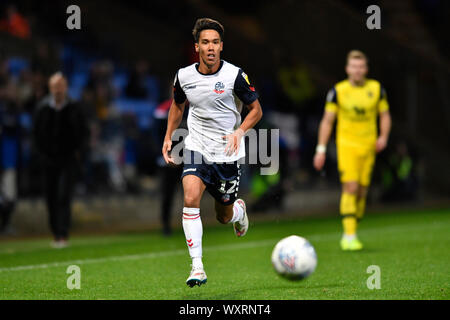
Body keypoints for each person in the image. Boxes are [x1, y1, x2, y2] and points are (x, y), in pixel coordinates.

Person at [162, 18, 263, 287]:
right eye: (205, 42)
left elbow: (256, 111)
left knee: (223, 216)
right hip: (196, 147)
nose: (210, 47)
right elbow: (177, 106)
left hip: (227, 155)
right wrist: (168, 137)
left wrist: (239, 132)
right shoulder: (184, 76)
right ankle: (197, 267)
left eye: (215, 42)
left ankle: (238, 212)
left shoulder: (235, 76)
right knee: (191, 196)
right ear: (197, 47)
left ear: (221, 47)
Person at [313, 50, 392, 251]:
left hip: (369, 146)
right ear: (348, 69)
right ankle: (349, 236)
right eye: (354, 66)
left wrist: (383, 136)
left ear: (366, 69)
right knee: (351, 187)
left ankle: (353, 227)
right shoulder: (338, 91)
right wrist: (321, 149)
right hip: (347, 146)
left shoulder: (377, 89)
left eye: (361, 66)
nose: (357, 70)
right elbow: (327, 121)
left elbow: (384, 115)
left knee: (362, 192)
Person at [33, 72, 88, 248]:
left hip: (68, 158)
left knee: (64, 194)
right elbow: (36, 134)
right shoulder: (42, 108)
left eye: (61, 86)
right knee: (50, 196)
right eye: (55, 86)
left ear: (66, 87)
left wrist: (79, 152)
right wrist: (41, 154)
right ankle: (55, 232)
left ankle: (63, 233)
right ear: (50, 88)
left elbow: (83, 132)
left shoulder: (74, 108)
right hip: (48, 159)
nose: (58, 90)